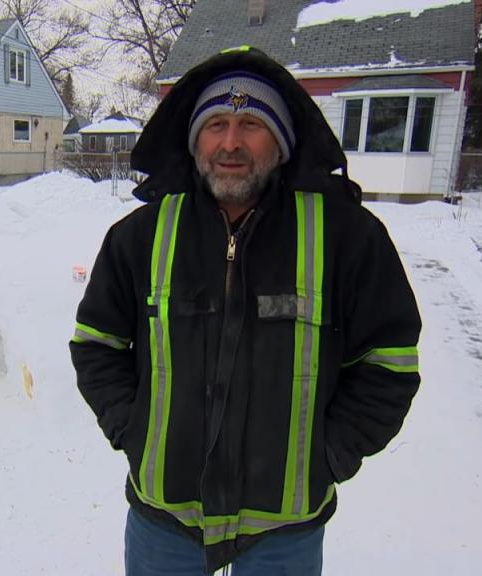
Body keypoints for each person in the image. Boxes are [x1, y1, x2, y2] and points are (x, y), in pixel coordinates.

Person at [69, 46, 421, 576]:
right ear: (194, 142)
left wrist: (330, 454)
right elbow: (96, 346)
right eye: (215, 124)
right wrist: (134, 431)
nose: (230, 142)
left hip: (286, 531)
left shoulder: (347, 238)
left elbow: (388, 362)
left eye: (251, 124)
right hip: (165, 523)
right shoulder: (138, 238)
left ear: (280, 143)